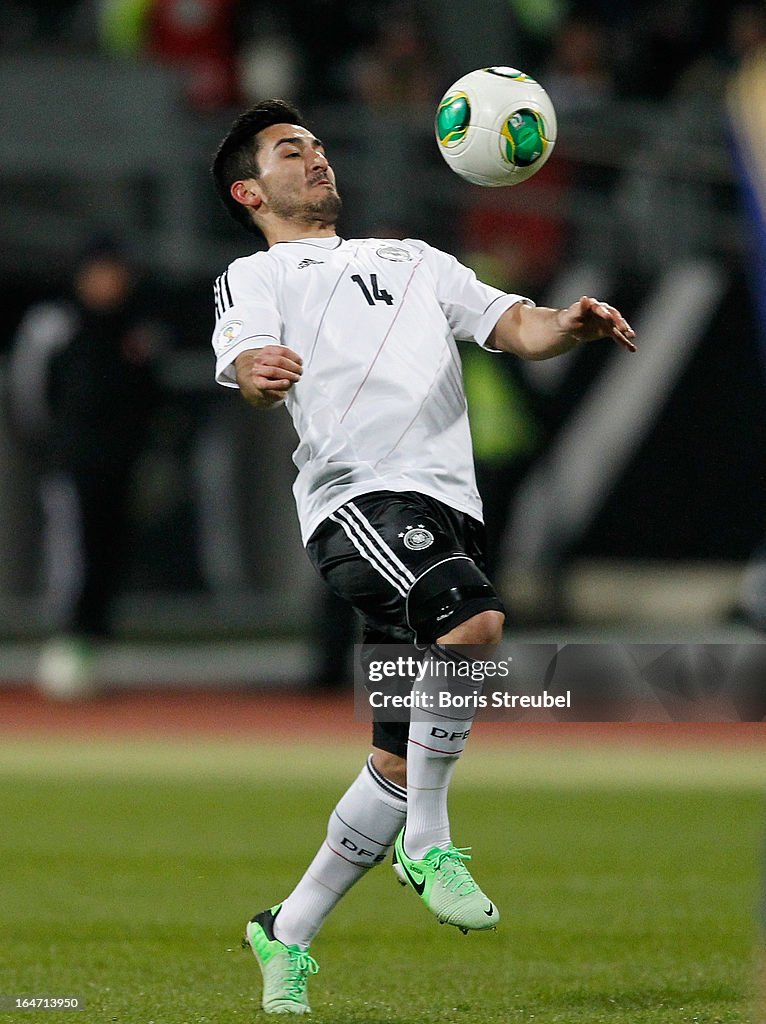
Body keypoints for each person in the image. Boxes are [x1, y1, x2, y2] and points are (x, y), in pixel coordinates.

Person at [210, 99, 635, 1015]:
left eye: (320, 144)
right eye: (293, 150)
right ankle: (430, 842)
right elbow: (245, 362)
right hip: (358, 502)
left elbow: (516, 326)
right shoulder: (255, 274)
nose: (317, 158)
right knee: (475, 622)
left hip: (445, 512)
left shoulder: (415, 260)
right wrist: (256, 373)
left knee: (395, 763)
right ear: (251, 190)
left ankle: (284, 930)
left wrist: (571, 322)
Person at [7, 236, 163, 697]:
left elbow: (154, 398)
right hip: (72, 463)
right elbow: (29, 393)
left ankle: (94, 647)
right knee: (72, 551)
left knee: (111, 552)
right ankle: (66, 644)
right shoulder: (55, 323)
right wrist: (49, 450)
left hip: (124, 462)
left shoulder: (139, 330)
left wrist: (151, 451)